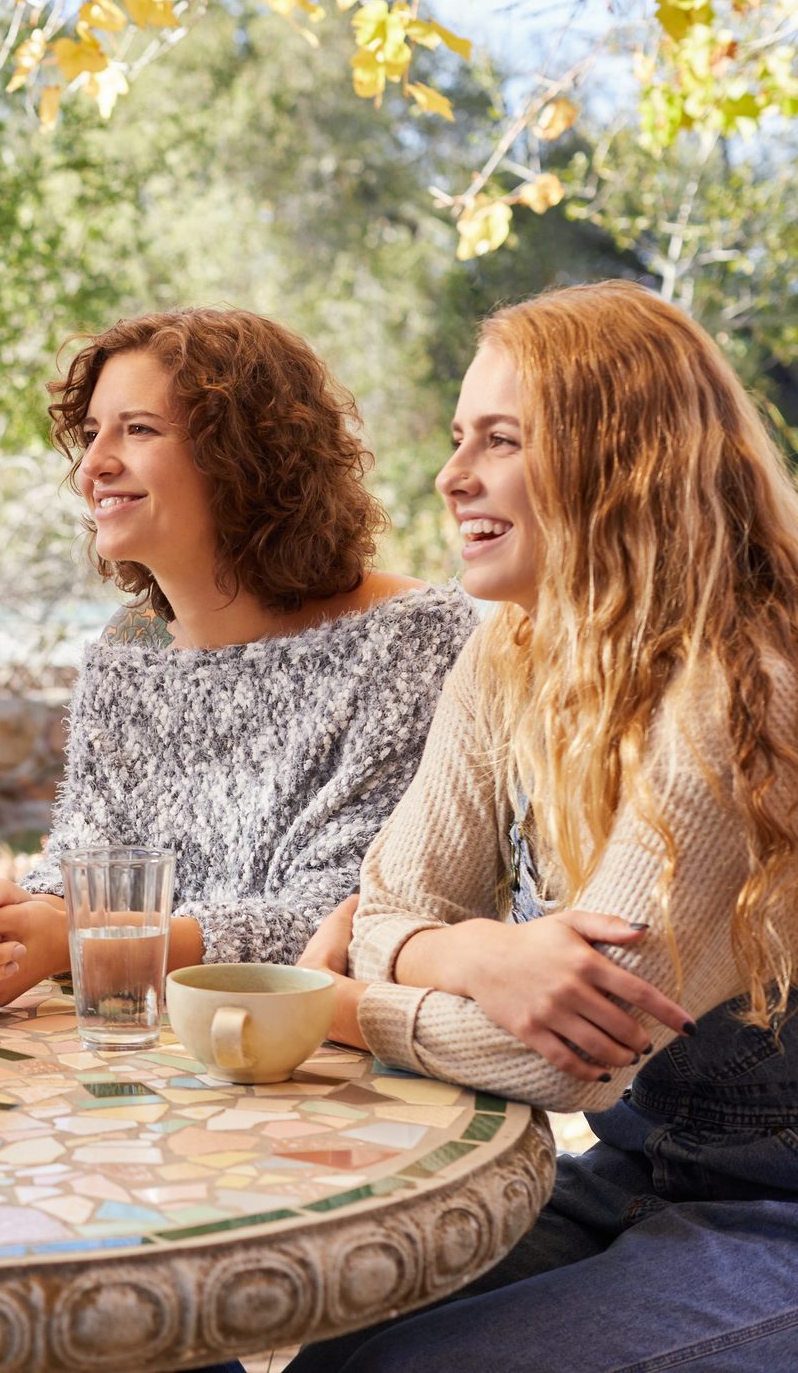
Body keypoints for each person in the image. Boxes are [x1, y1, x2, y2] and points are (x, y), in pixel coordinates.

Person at [290, 282, 798, 1371]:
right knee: (313, 1335)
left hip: (782, 1220)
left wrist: (332, 1005)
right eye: (459, 436)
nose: (451, 474)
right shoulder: (511, 651)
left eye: (501, 440)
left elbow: (563, 1066)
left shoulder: (741, 688)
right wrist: (480, 950)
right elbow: (388, 905)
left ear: (622, 460)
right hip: (635, 1175)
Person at [0, 307, 474, 1020]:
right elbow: (80, 875)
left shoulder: (409, 641)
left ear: (244, 454)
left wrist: (91, 939)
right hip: (151, 1078)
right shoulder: (127, 655)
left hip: (335, 1085)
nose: (92, 466)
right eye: (90, 435)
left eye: (137, 429)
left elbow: (351, 922)